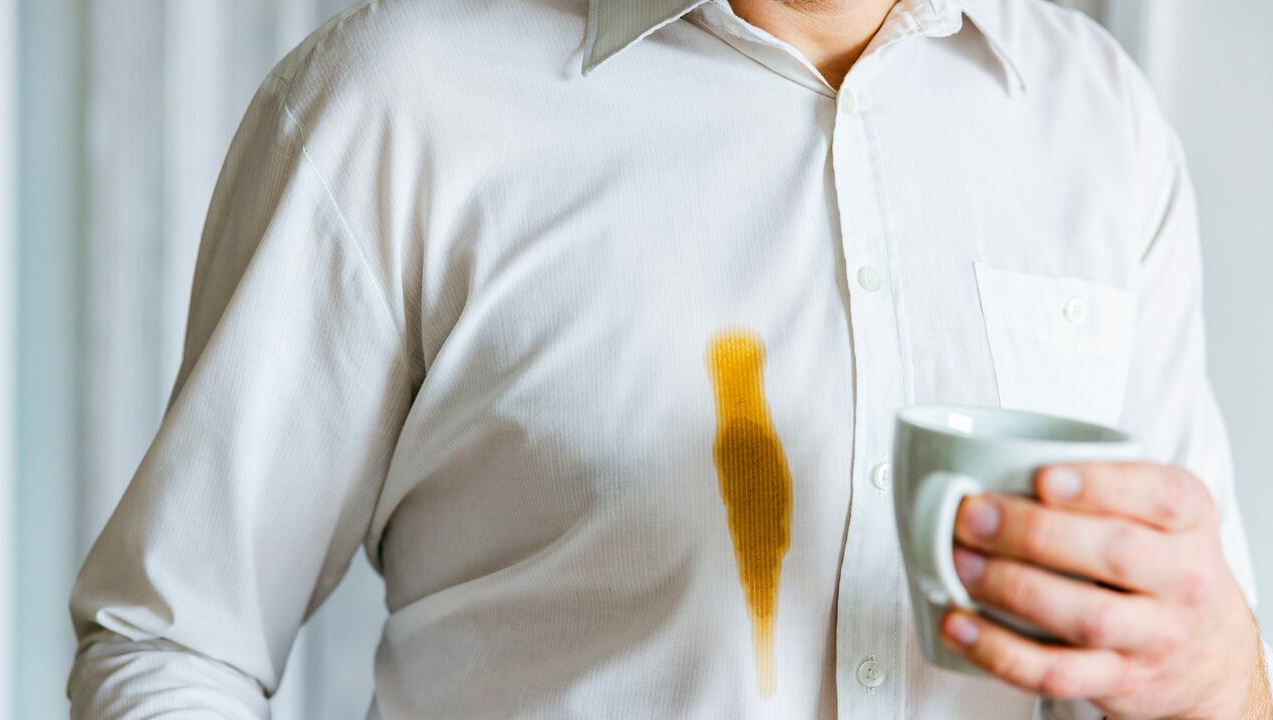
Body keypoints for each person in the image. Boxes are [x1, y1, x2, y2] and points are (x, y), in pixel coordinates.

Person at [67, 0, 1273, 717]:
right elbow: (173, 642)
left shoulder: (1099, 122)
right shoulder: (393, 105)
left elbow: (1190, 658)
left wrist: (1215, 682)